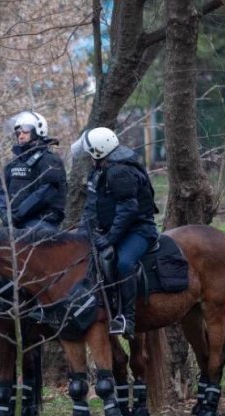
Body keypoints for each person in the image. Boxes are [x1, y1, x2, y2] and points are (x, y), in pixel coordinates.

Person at [81, 127, 159, 338]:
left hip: (138, 230)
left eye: (90, 153)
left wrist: (109, 239)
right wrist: (82, 231)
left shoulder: (119, 172)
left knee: (124, 263)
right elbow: (91, 205)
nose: (88, 157)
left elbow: (128, 209)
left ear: (99, 151)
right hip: (115, 229)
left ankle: (127, 318)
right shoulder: (98, 170)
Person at [0, 111, 67, 230]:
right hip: (13, 222)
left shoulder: (50, 161)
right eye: (18, 133)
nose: (20, 136)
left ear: (38, 131)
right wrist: (3, 213)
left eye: (25, 132)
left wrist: (17, 215)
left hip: (41, 222)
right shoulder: (13, 163)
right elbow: (0, 190)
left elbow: (45, 193)